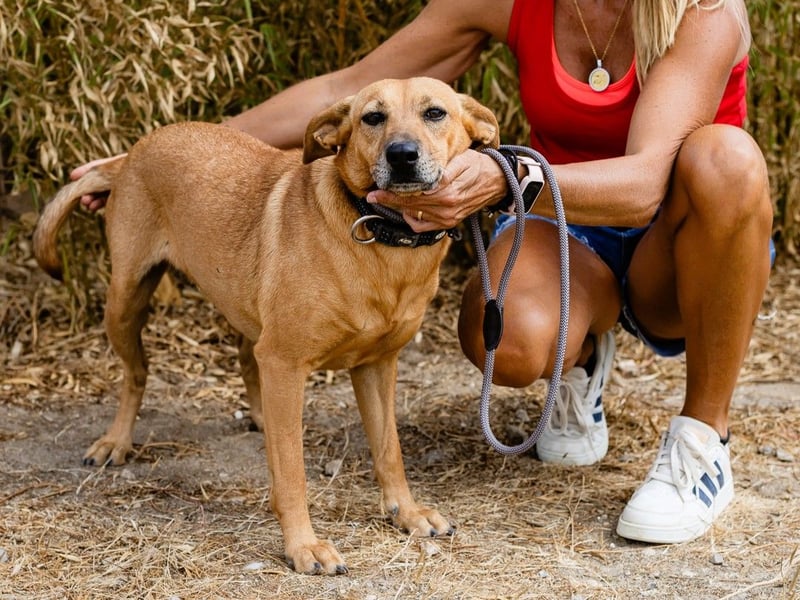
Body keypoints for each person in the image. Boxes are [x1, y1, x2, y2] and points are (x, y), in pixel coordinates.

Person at [72, 0, 774, 544]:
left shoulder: (703, 10)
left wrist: (500, 176)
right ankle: (580, 351)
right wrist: (155, 164)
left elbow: (648, 182)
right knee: (514, 342)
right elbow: (350, 87)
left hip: (678, 245)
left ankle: (701, 442)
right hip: (565, 232)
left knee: (725, 160)